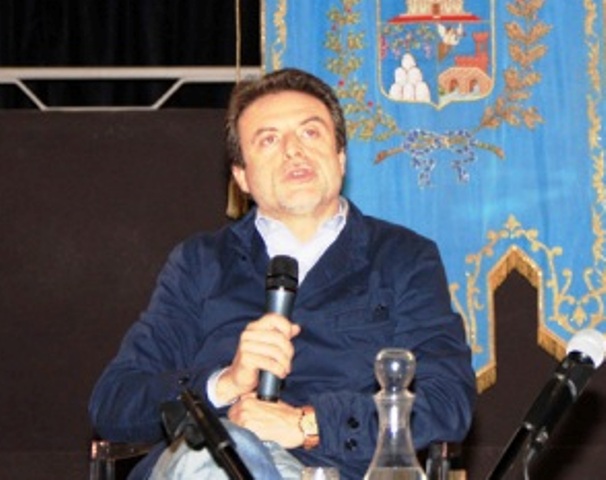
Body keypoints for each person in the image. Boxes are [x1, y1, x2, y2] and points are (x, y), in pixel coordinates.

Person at [89, 67, 476, 479]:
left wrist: (308, 424)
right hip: (205, 465)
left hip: (334, 472)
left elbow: (448, 401)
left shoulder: (403, 258)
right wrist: (225, 384)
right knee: (219, 452)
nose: (294, 150)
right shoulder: (200, 263)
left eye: (310, 133)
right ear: (241, 177)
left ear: (340, 157)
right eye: (269, 139)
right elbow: (114, 402)